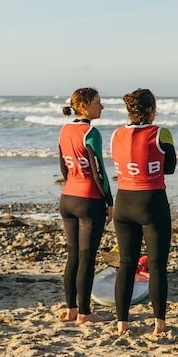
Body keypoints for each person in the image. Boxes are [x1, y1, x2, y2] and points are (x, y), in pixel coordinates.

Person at [110, 89, 176, 335]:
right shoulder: (161, 132)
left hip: (124, 202)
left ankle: (122, 323)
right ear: (150, 110)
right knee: (158, 266)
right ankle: (159, 324)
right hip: (152, 202)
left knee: (126, 264)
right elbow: (169, 168)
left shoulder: (116, 134)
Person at [58, 87, 113, 324]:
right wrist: (109, 201)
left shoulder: (64, 129)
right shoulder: (91, 132)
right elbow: (99, 170)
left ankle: (70, 308)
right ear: (84, 105)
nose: (102, 106)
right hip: (89, 200)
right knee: (87, 258)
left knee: (73, 256)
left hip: (67, 198)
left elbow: (63, 166)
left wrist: (73, 180)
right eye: (98, 102)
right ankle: (85, 313)